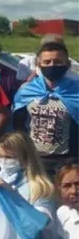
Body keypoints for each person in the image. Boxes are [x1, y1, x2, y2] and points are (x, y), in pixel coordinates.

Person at [13, 40, 78, 179]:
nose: (52, 65)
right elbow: (18, 124)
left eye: (58, 62)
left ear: (67, 64)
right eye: (47, 62)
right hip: (35, 159)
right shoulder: (27, 91)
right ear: (39, 64)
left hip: (69, 161)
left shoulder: (76, 91)